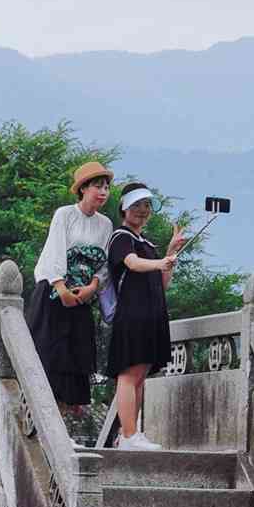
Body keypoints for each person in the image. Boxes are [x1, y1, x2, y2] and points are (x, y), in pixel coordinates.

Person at [29, 161, 114, 436]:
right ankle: (45, 431)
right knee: (51, 359)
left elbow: (103, 265)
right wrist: (61, 287)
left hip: (81, 298)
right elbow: (54, 251)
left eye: (106, 187)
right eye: (97, 186)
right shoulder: (65, 215)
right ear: (83, 190)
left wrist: (92, 287)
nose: (103, 192)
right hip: (54, 295)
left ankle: (62, 431)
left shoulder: (105, 224)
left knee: (75, 363)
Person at [105, 182, 185, 450]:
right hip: (132, 315)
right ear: (124, 208)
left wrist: (170, 254)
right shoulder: (121, 237)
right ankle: (128, 435)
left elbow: (161, 283)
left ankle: (131, 433)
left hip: (152, 316)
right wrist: (159, 262)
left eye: (147, 205)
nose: (142, 210)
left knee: (140, 376)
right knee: (129, 374)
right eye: (136, 205)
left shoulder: (146, 243)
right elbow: (131, 263)